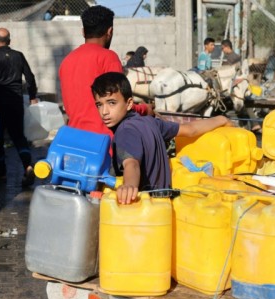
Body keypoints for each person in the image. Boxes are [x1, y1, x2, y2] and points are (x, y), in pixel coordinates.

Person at [91, 72, 233, 204]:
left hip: (145, 209)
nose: (104, 112)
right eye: (99, 104)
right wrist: (221, 119)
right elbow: (190, 130)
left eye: (112, 103)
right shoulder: (150, 122)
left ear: (129, 104)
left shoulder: (125, 131)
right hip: (164, 204)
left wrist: (128, 186)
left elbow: (131, 164)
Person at [59, 5, 124, 138]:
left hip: (75, 139)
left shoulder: (66, 61)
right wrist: (145, 109)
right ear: (109, 31)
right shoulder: (108, 57)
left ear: (83, 32)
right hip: (103, 141)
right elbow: (119, 104)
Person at [0, 27, 38, 186]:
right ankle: (28, 166)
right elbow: (30, 77)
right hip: (16, 103)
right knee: (18, 137)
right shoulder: (18, 56)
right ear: (9, 41)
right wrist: (32, 96)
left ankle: (1, 174)